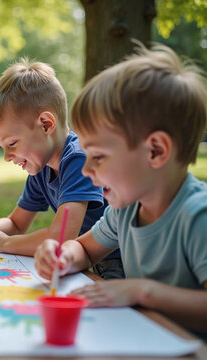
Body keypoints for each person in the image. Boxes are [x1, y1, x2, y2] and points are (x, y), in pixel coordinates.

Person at [34, 45, 207, 340]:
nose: (86, 171)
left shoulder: (197, 216)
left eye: (98, 157)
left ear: (156, 151)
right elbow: (86, 249)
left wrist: (143, 292)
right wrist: (64, 256)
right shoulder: (125, 210)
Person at [0, 59, 123, 280]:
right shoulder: (42, 168)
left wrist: (5, 243)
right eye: (2, 148)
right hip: (81, 260)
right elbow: (16, 224)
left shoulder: (78, 159)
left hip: (120, 261)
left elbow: (61, 237)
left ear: (46, 124)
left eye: (12, 144)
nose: (7, 157)